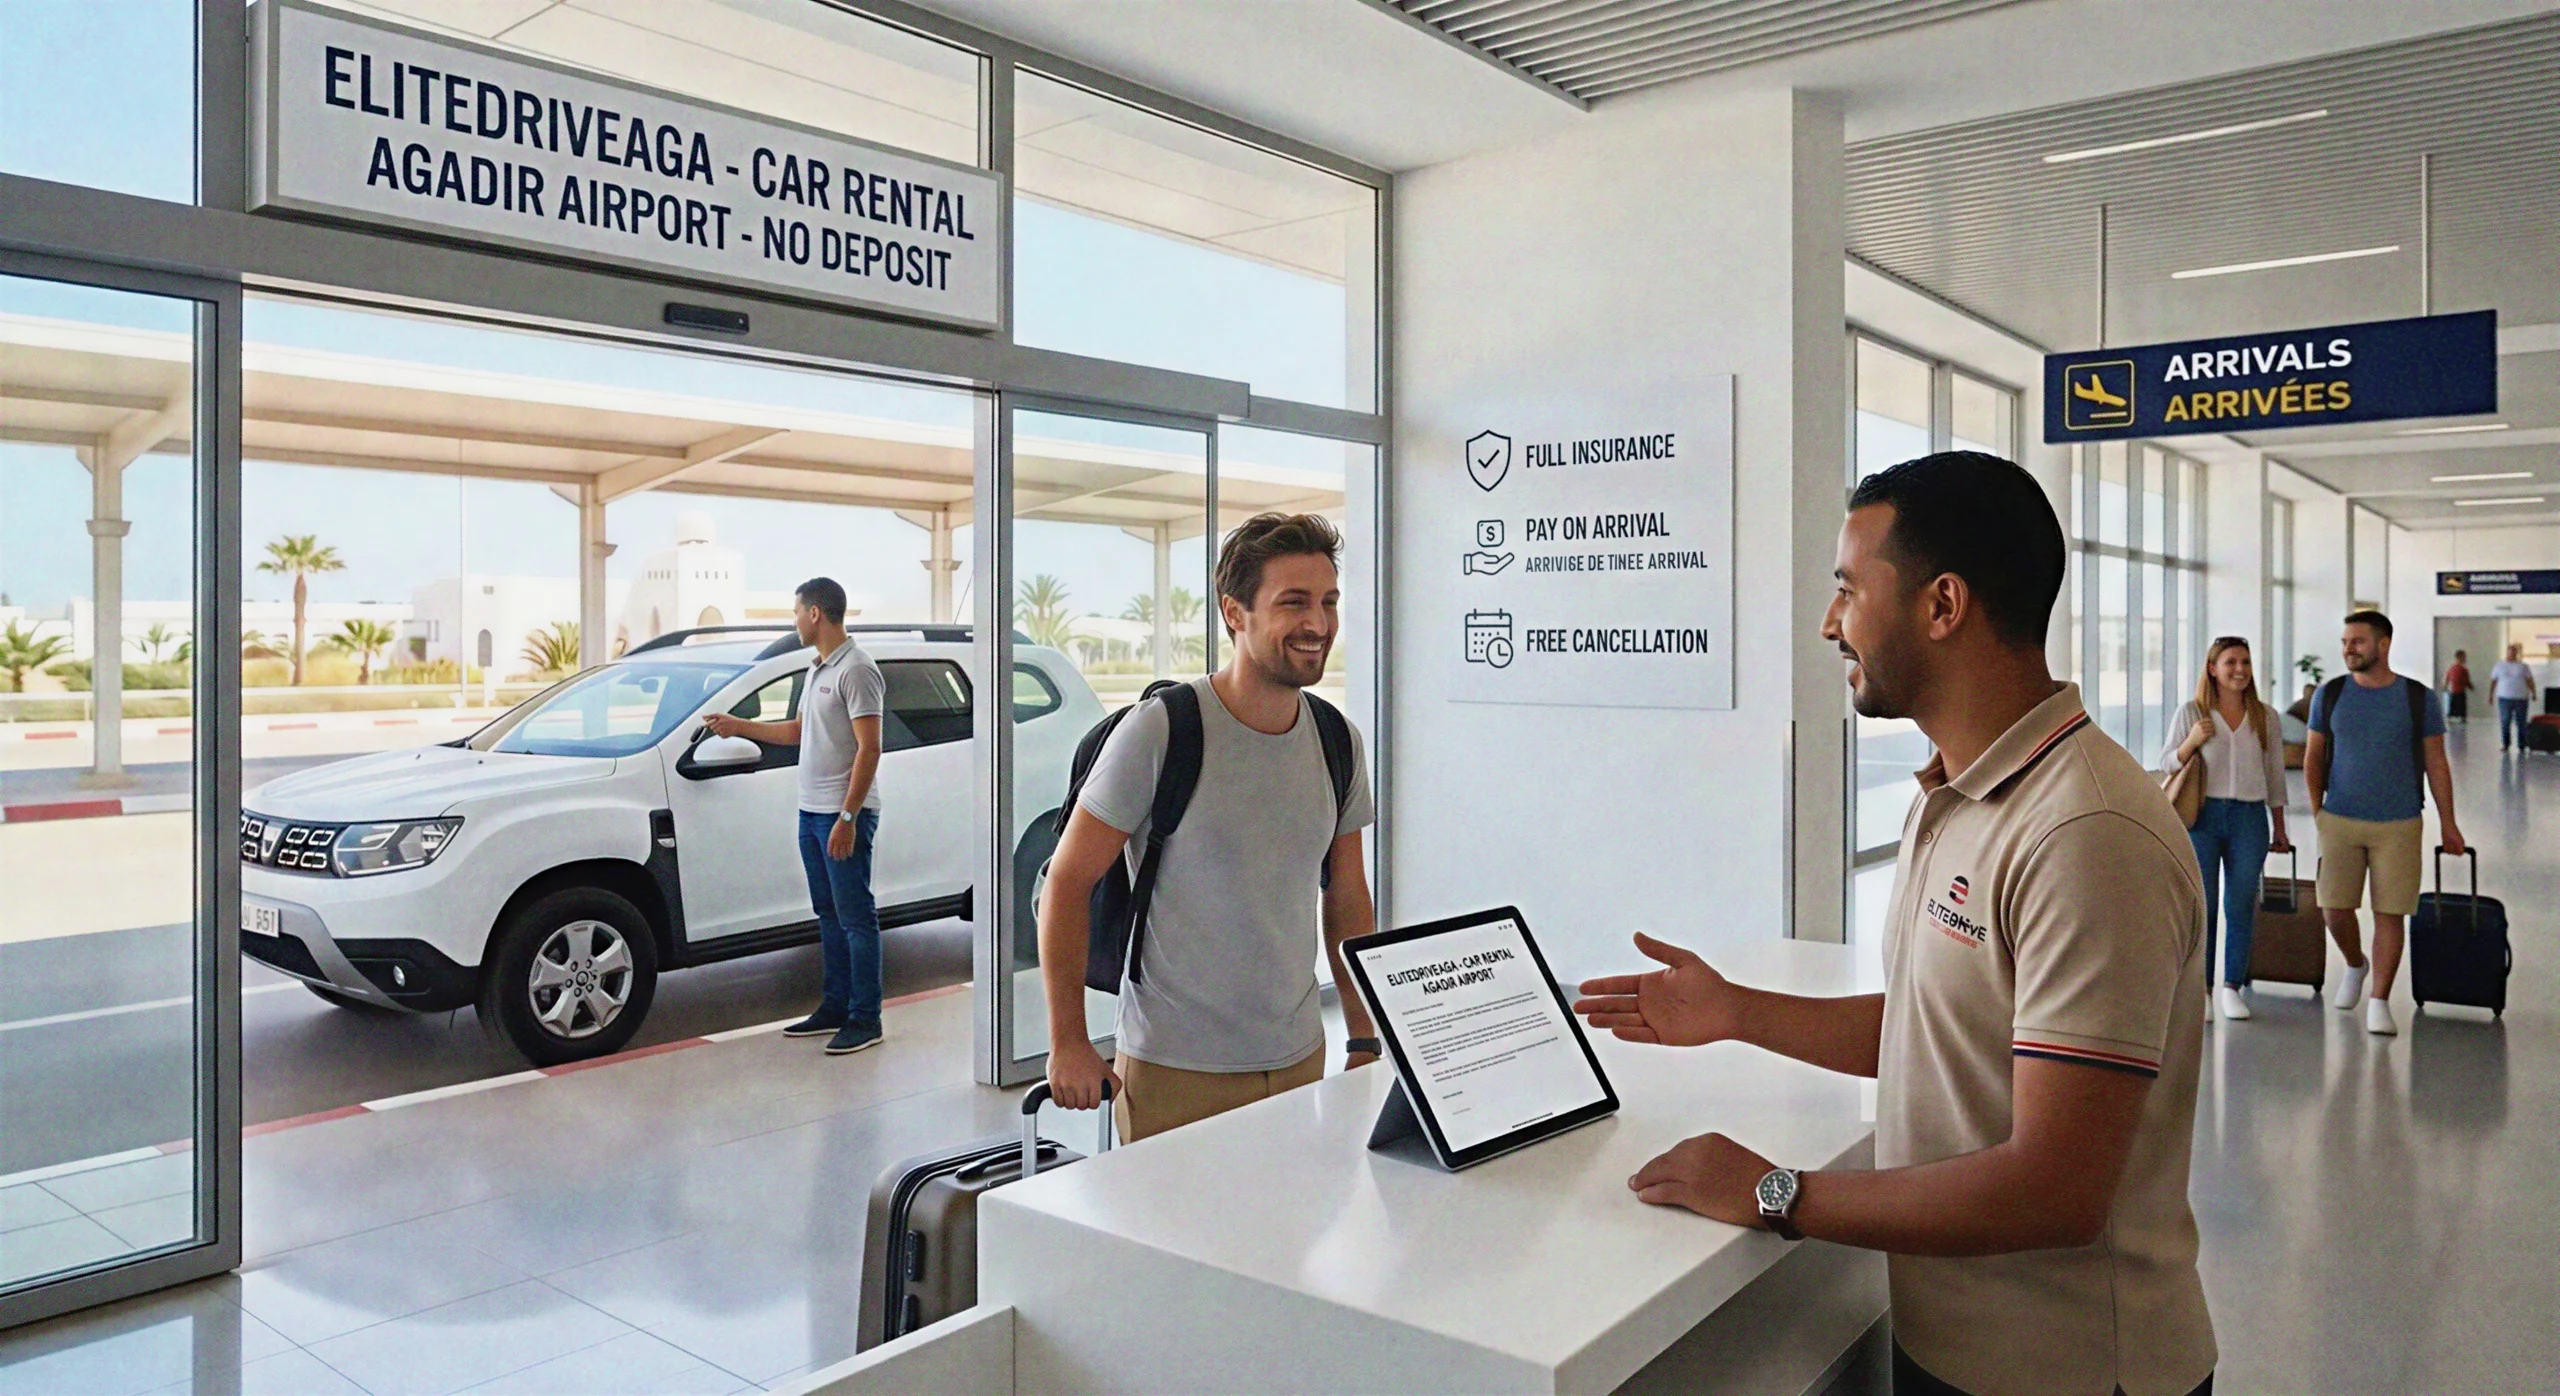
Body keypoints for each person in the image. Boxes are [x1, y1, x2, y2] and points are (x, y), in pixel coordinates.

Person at [1576, 452, 2214, 1396]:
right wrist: (1736, 1011)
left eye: (1846, 589)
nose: (1830, 623)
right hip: (1951, 1344)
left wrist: (1776, 1193)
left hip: (2065, 1372)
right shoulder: (1955, 793)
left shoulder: (2087, 833)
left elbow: (2058, 1187)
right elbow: (1943, 1031)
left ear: (1942, 605)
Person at [1039, 513, 1381, 1143]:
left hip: (1301, 1057)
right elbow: (1067, 881)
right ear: (1235, 613)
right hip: (1174, 1071)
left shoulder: (1337, 740)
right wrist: (1068, 1043)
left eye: (1329, 602)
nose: (1319, 624)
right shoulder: (1160, 731)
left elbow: (1348, 896)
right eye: (1294, 603)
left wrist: (1361, 1032)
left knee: (1288, 1239)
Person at [704, 577, 888, 1056]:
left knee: (855, 918)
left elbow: (870, 747)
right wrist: (737, 726)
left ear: (815, 614)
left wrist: (848, 816)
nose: (793, 621)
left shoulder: (857, 669)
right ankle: (835, 1007)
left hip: (840, 815)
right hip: (811, 812)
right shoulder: (817, 670)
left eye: (795, 612)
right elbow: (799, 732)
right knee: (828, 915)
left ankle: (866, 1019)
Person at [2304, 610, 2463, 1037]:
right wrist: (2318, 811)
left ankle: (2378, 999)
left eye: (2357, 641)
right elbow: (2314, 757)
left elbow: (2436, 762)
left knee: (2390, 912)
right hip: (2339, 820)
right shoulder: (2330, 694)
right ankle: (2356, 964)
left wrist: (2449, 824)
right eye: (2344, 642)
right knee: (2333, 909)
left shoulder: (2417, 697)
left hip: (2399, 823)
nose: (2348, 649)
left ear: (2383, 644)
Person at [2163, 637, 2293, 1022]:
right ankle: (2200, 989)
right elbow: (2167, 762)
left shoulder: (2264, 715)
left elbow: (2275, 774)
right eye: (2231, 662)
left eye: (2246, 662)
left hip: (2249, 819)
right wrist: (2191, 742)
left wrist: (2280, 827)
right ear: (2212, 668)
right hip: (2201, 818)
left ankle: (2231, 986)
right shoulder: (2192, 712)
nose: (2240, 669)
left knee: (2239, 904)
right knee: (2204, 906)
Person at [2490, 642, 2538, 753]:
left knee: (2521, 722)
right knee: (2505, 721)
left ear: (2517, 653)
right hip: (2504, 698)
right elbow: (2493, 681)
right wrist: (2490, 695)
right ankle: (2506, 744)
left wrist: (2534, 692)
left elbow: (2529, 680)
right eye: (2510, 651)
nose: (2512, 653)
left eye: (2514, 651)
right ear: (2506, 652)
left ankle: (2522, 745)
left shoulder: (2523, 666)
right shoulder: (2499, 665)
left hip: (2521, 698)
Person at [2443, 649, 2472, 723]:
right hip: (2458, 691)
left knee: (2454, 705)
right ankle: (2460, 717)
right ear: (2459, 658)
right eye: (2464, 657)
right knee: (2460, 705)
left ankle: (2453, 717)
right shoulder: (2462, 669)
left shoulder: (2452, 668)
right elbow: (2466, 681)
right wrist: (2471, 687)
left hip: (2453, 691)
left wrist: (2445, 686)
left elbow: (2447, 678)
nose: (2465, 659)